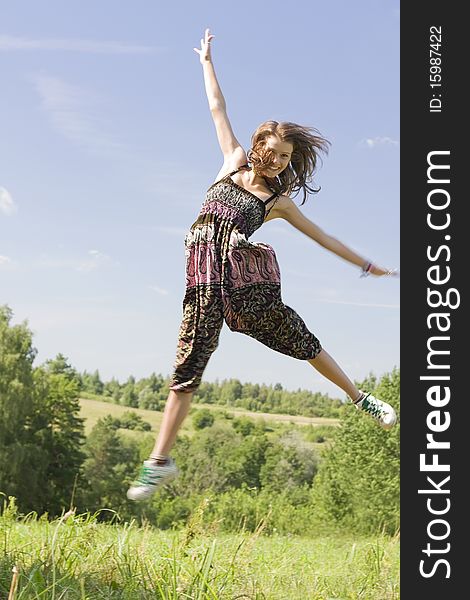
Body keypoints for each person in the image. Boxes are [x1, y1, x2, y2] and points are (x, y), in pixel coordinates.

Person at [127, 29, 398, 501]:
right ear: (257, 145)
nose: (276, 161)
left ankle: (361, 398)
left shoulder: (279, 201)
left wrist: (366, 264)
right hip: (203, 281)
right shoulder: (231, 162)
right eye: (271, 151)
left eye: (285, 157)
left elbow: (323, 237)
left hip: (243, 283)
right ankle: (159, 461)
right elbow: (217, 107)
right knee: (190, 362)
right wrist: (206, 61)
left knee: (297, 335)